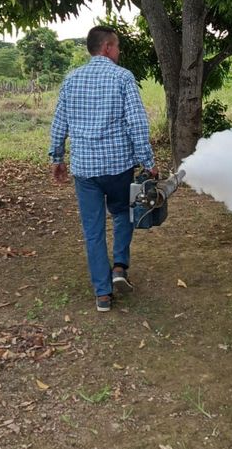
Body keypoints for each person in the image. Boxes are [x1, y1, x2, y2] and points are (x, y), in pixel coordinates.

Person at [48, 25, 158, 312]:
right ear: (107, 47)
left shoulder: (71, 79)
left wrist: (57, 158)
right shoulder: (122, 77)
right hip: (118, 166)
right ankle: (119, 266)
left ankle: (103, 295)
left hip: (85, 170)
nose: (119, 52)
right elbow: (137, 123)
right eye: (117, 46)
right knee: (123, 214)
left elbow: (59, 123)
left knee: (93, 230)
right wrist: (148, 162)